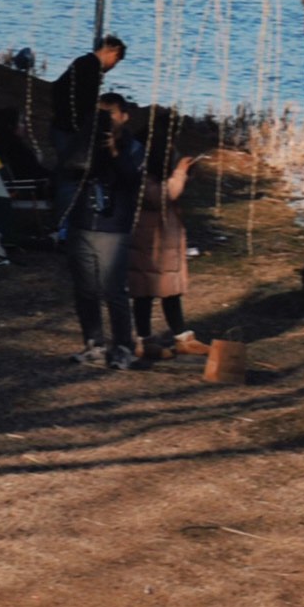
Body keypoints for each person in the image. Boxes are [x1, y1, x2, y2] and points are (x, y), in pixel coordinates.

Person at [65, 95, 142, 368]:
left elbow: (132, 180)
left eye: (110, 115)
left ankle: (123, 347)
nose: (106, 122)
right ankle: (93, 344)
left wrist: (113, 150)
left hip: (114, 228)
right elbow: (67, 170)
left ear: (124, 116)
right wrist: (84, 144)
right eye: (100, 116)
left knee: (113, 290)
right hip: (83, 221)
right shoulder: (86, 142)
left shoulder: (132, 147)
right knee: (84, 289)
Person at [127, 117, 202, 363]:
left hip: (162, 240)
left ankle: (181, 337)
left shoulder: (152, 173)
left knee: (170, 291)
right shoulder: (139, 174)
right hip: (149, 240)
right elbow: (162, 196)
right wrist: (179, 172)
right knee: (145, 292)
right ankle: (144, 339)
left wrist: (185, 174)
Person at [51, 36, 126, 187]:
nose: (113, 66)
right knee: (70, 174)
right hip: (69, 128)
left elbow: (59, 88)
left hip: (64, 125)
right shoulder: (90, 67)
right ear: (112, 51)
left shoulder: (84, 63)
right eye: (116, 61)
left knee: (68, 171)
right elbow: (86, 102)